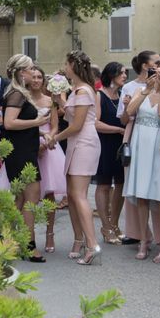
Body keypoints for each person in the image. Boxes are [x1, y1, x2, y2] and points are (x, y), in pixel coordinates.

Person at [53, 50, 101, 265]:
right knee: (72, 195)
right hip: (76, 142)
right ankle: (79, 239)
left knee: (80, 195)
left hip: (84, 142)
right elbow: (71, 114)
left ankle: (92, 245)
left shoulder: (83, 91)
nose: (64, 66)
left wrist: (55, 137)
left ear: (74, 65)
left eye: (67, 63)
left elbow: (77, 125)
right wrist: (59, 101)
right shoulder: (76, 91)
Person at [1, 54, 51, 262]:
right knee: (31, 199)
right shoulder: (16, 95)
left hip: (24, 150)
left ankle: (9, 242)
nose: (33, 72)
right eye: (31, 69)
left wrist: (40, 132)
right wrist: (38, 123)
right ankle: (29, 246)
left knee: (21, 200)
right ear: (22, 73)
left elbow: (19, 125)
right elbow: (9, 123)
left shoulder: (19, 93)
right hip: (21, 154)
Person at [124, 58, 160, 262]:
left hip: (158, 145)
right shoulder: (140, 90)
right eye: (159, 67)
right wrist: (147, 89)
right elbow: (129, 112)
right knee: (141, 195)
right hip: (140, 145)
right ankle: (144, 240)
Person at [117, 50, 160, 245]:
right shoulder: (129, 87)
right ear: (145, 66)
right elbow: (124, 119)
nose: (159, 65)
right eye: (156, 62)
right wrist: (127, 106)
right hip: (135, 135)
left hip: (156, 134)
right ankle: (137, 232)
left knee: (159, 184)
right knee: (134, 183)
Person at [29, 66, 66, 253]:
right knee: (29, 196)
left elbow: (54, 125)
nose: (36, 80)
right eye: (33, 76)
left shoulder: (49, 101)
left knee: (49, 194)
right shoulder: (23, 99)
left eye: (39, 77)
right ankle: (29, 235)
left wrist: (47, 139)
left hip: (48, 146)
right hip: (28, 145)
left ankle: (50, 234)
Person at [94, 62, 126, 245]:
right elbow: (95, 123)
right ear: (111, 75)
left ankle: (114, 223)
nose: (124, 75)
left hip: (121, 145)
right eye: (121, 73)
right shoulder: (99, 95)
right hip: (105, 143)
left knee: (120, 184)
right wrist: (117, 130)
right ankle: (105, 226)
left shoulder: (122, 95)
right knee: (104, 185)